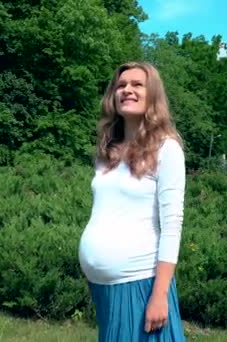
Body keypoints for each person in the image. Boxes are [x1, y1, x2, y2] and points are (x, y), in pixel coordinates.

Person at [78, 61, 186, 341]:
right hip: (104, 288)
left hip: (140, 284)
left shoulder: (167, 148)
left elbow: (172, 226)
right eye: (121, 85)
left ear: (152, 95)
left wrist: (159, 295)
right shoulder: (107, 152)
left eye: (137, 84)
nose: (127, 89)